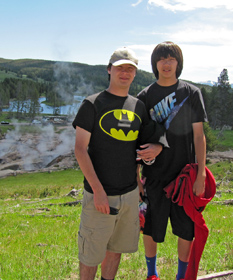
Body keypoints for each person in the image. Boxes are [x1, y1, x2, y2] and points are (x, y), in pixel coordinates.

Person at [73, 47, 168, 280]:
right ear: (109, 70)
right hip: (100, 195)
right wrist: (97, 191)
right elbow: (80, 149)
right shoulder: (92, 104)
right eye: (120, 68)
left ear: (135, 74)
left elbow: (139, 145)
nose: (125, 73)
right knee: (90, 256)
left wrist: (155, 151)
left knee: (115, 251)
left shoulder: (138, 106)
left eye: (130, 69)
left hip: (129, 194)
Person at [136, 41, 208, 280]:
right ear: (155, 64)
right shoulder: (144, 97)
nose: (166, 64)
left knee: (186, 230)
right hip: (153, 176)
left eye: (171, 59)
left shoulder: (191, 93)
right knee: (150, 227)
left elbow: (199, 136)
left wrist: (201, 175)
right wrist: (136, 177)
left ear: (179, 63)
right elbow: (136, 140)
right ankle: (151, 274)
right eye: (161, 59)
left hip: (184, 178)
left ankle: (181, 276)